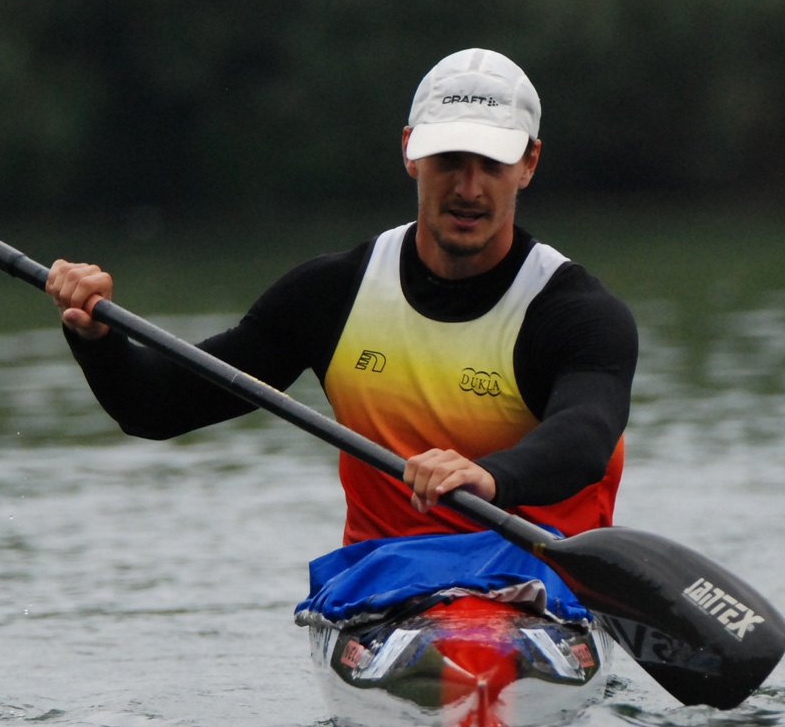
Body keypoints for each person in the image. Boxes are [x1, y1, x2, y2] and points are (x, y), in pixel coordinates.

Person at [46, 48, 636, 618]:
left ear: (529, 163)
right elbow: (156, 407)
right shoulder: (331, 295)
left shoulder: (575, 313)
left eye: (492, 163)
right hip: (388, 586)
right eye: (449, 159)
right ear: (410, 152)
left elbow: (584, 435)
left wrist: (491, 476)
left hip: (538, 583)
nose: (468, 187)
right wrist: (96, 336)